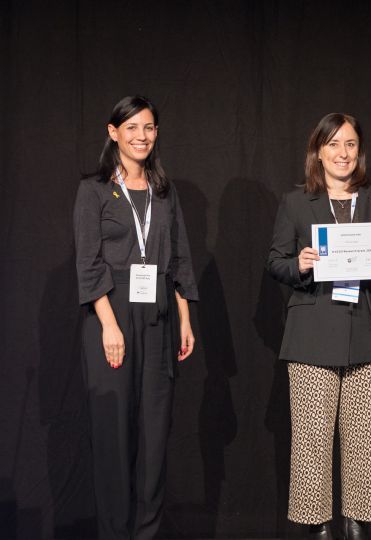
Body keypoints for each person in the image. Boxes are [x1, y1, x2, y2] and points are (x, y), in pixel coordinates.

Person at [266, 113, 371, 540]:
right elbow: (275, 261)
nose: (343, 153)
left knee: (367, 440)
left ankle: (358, 525)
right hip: (312, 332)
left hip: (370, 329)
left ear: (360, 152)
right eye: (334, 144)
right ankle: (318, 528)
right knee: (312, 441)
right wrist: (299, 264)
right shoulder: (295, 202)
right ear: (319, 151)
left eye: (351, 145)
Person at [73, 95, 198, 539]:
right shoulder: (93, 190)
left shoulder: (165, 192)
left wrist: (183, 317)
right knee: (115, 438)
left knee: (153, 440)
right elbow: (89, 263)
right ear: (113, 132)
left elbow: (179, 257)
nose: (141, 136)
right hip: (113, 312)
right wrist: (108, 324)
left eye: (148, 128)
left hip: (160, 312)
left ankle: (146, 534)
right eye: (131, 128)